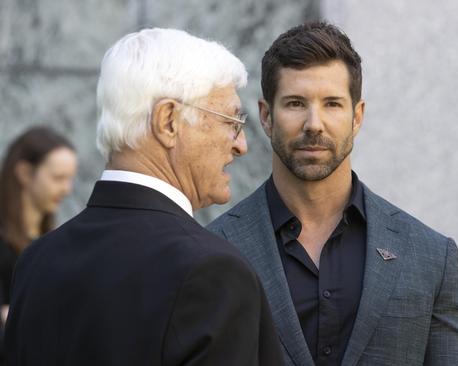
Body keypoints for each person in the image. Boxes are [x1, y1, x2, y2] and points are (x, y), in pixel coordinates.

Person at [5, 28, 282, 365]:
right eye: (231, 121)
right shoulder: (211, 272)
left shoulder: (37, 260)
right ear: (168, 121)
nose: (241, 145)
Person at [208, 22, 458, 366]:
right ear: (266, 116)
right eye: (295, 103)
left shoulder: (430, 257)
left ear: (357, 116)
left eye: (332, 104)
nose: (314, 123)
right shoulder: (214, 250)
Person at [0, 126, 77, 322]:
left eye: (69, 179)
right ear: (25, 173)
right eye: (58, 178)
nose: (66, 189)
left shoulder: (51, 242)